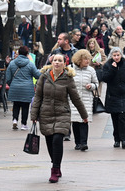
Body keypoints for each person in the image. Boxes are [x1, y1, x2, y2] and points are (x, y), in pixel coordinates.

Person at [30, 54, 88, 183]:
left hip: (62, 113)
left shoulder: (68, 78)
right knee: (50, 142)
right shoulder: (43, 77)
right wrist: (33, 115)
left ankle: (55, 169)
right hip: (45, 114)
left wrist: (84, 115)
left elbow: (75, 98)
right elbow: (38, 97)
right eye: (55, 60)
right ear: (52, 62)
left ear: (64, 63)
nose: (57, 63)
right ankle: (56, 162)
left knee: (57, 139)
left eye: (59, 61)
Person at [102, 47, 125, 149]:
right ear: (111, 56)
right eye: (114, 55)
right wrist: (112, 69)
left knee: (122, 118)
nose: (116, 57)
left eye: (118, 55)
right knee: (115, 118)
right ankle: (116, 139)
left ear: (121, 55)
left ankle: (124, 140)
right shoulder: (108, 65)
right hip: (113, 95)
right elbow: (105, 79)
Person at [6, 46, 41, 130]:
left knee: (16, 104)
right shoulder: (30, 64)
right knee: (25, 106)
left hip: (15, 87)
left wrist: (12, 84)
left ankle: (15, 119)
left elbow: (8, 78)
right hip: (27, 88)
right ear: (27, 54)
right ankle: (23, 124)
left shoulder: (12, 63)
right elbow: (37, 75)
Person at [70, 50, 98, 151]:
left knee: (84, 121)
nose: (88, 61)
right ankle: (77, 142)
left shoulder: (91, 70)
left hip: (86, 98)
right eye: (85, 59)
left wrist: (91, 86)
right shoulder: (70, 69)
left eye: (88, 59)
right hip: (73, 99)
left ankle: (84, 143)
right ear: (79, 59)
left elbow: (96, 83)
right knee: (75, 121)